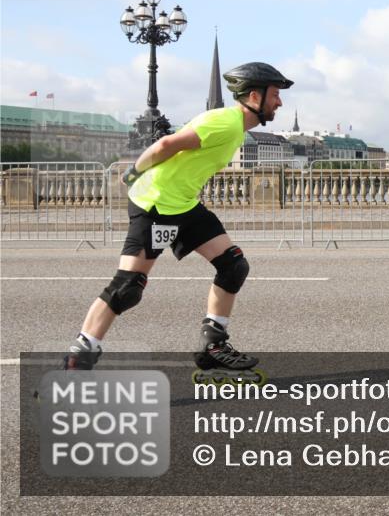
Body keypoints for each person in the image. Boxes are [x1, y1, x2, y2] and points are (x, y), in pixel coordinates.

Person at [63, 62, 294, 378]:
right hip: (157, 207)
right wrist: (134, 173)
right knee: (128, 287)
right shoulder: (225, 123)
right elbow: (165, 145)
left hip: (183, 207)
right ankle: (78, 362)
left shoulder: (236, 128)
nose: (279, 102)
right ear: (254, 95)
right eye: (275, 95)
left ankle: (213, 346)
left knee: (233, 265)